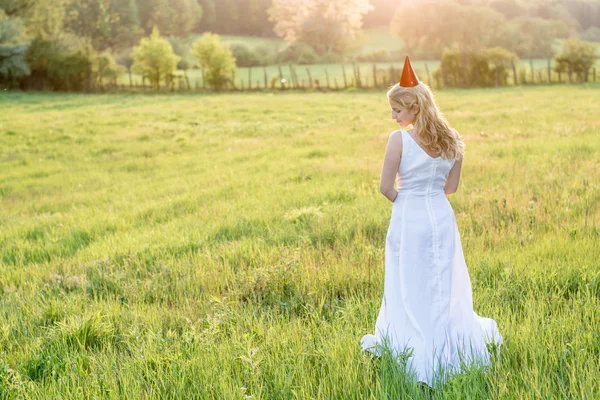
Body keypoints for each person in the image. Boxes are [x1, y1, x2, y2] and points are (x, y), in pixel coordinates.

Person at [360, 56, 503, 389]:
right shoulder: (453, 140)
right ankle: (448, 340)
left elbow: (385, 188)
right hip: (441, 218)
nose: (393, 116)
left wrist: (407, 204)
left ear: (413, 109)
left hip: (409, 219)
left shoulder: (399, 141)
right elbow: (450, 188)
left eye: (396, 110)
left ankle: (415, 344)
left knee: (407, 282)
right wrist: (427, 199)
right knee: (442, 282)